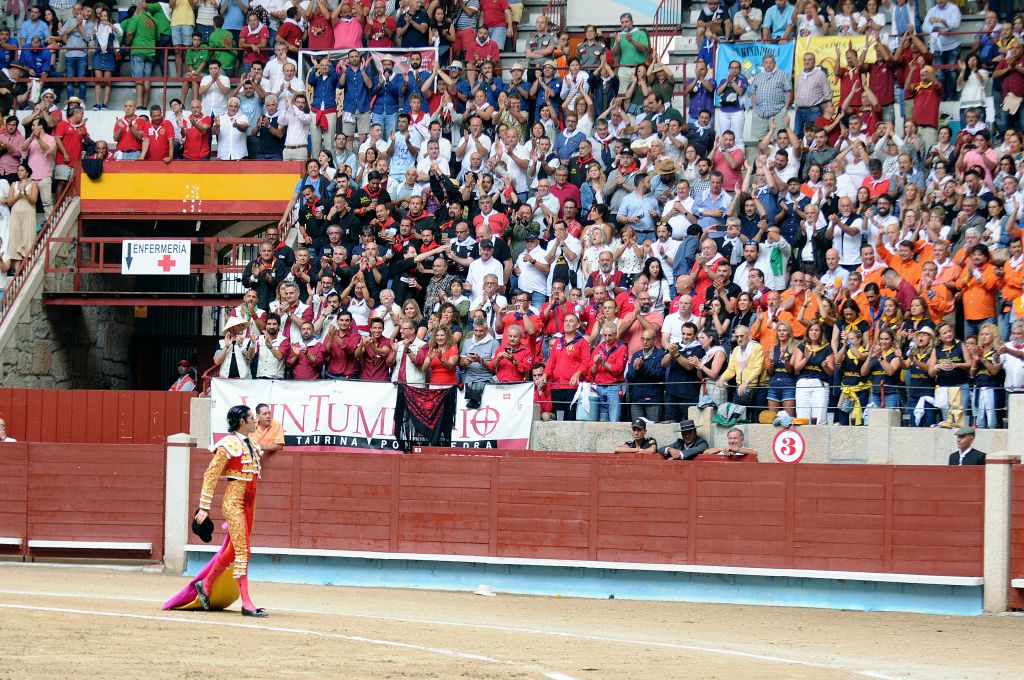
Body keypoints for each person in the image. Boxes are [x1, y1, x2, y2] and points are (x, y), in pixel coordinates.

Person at [178, 404, 267, 617]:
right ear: (242, 422)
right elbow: (211, 474)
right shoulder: (228, 444)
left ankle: (206, 584)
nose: (256, 421)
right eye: (252, 418)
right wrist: (204, 507)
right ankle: (246, 603)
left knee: (237, 550)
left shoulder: (252, 444)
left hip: (249, 504)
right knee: (244, 551)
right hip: (234, 502)